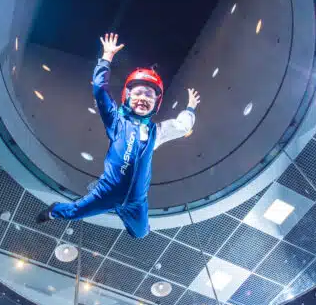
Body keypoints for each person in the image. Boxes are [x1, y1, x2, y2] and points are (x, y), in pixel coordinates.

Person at [37, 33, 201, 238]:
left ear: (156, 103)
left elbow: (182, 126)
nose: (143, 98)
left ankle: (124, 212)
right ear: (127, 96)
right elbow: (99, 90)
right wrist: (106, 58)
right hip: (106, 193)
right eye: (138, 93)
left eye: (149, 95)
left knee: (141, 233)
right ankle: (54, 210)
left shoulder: (155, 133)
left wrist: (190, 109)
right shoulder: (117, 123)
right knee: (74, 213)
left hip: (136, 201)